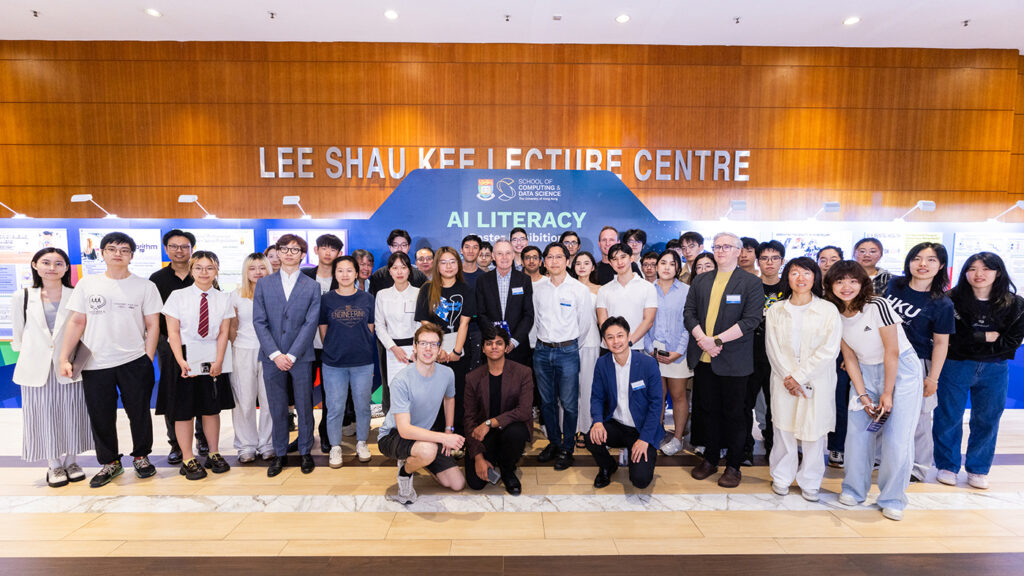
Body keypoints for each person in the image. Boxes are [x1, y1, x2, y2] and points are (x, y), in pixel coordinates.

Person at [60, 232, 162, 488]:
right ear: (102, 253)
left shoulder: (145, 286)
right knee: (101, 415)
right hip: (95, 362)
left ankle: (141, 456)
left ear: (131, 255)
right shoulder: (87, 284)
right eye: (112, 248)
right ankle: (110, 463)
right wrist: (64, 357)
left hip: (134, 360)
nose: (118, 253)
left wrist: (147, 359)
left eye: (124, 250)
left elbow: (153, 325)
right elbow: (77, 321)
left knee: (139, 413)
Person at [825, 260, 921, 521]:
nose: (847, 287)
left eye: (853, 281)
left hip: (901, 371)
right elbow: (850, 357)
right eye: (840, 281)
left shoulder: (878, 305)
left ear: (863, 283)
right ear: (830, 285)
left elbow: (892, 351)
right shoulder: (833, 312)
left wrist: (887, 392)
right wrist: (863, 395)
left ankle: (893, 498)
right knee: (857, 434)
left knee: (897, 439)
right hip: (865, 372)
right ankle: (854, 490)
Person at [933, 252, 1024, 490]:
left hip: (995, 367)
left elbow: (1012, 340)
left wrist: (975, 341)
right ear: (965, 273)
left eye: (986, 269)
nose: (979, 274)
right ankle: (947, 466)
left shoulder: (1015, 304)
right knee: (948, 416)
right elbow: (950, 338)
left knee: (987, 419)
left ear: (998, 272)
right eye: (972, 269)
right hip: (955, 364)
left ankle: (978, 469)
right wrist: (983, 336)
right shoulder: (950, 299)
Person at [683, 232, 764, 488]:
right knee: (708, 412)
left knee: (735, 415)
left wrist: (716, 341)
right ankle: (710, 459)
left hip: (734, 362)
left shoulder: (750, 282)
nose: (720, 250)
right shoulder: (702, 280)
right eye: (717, 246)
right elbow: (689, 313)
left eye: (727, 246)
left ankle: (733, 466)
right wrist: (703, 339)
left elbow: (751, 320)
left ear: (738, 251)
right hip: (704, 359)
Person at [13, 248, 92, 488]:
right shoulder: (23, 296)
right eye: (46, 263)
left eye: (59, 263)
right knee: (44, 416)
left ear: (67, 268)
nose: (52, 268)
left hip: (69, 364)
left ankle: (72, 461)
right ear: (35, 265)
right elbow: (19, 335)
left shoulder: (77, 295)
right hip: (36, 367)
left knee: (72, 413)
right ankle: (53, 464)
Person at [765, 257, 842, 501]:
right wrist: (789, 377)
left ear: (815, 277)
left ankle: (810, 481)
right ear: (786, 277)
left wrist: (799, 376)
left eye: (806, 273)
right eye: (794, 273)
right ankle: (781, 476)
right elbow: (772, 348)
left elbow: (830, 349)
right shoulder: (777, 309)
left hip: (816, 381)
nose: (800, 278)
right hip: (783, 380)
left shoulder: (828, 309)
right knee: (783, 430)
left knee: (813, 431)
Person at [253, 234, 322, 477]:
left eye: (295, 249)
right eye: (285, 249)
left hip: (300, 357)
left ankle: (305, 452)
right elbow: (259, 322)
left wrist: (291, 355)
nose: (290, 253)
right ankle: (279, 453)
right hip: (272, 357)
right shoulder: (264, 283)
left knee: (304, 406)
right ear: (278, 253)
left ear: (303, 255)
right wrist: (275, 354)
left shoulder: (312, 286)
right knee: (277, 407)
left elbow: (310, 323)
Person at [163, 251, 236, 480]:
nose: (204, 272)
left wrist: (219, 360)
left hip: (212, 355)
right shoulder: (178, 296)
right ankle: (188, 458)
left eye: (209, 268)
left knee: (211, 408)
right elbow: (172, 332)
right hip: (183, 356)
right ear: (191, 270)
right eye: (199, 268)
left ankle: (213, 453)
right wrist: (180, 360)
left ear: (216, 271)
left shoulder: (223, 299)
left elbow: (224, 332)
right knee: (184, 411)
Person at [884, 242, 953, 482]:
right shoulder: (895, 286)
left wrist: (932, 377)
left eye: (931, 259)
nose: (923, 264)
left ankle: (918, 468)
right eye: (917, 258)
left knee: (920, 419)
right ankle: (883, 460)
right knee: (883, 410)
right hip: (884, 357)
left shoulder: (942, 303)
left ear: (941, 265)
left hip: (918, 362)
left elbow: (942, 343)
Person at [377, 323, 466, 504]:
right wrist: (443, 438)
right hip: (393, 436)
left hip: (425, 435)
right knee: (428, 449)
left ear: (440, 348)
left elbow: (450, 398)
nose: (428, 348)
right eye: (423, 343)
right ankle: (405, 471)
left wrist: (448, 429)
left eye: (434, 344)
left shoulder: (447, 373)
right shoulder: (401, 381)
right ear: (415, 346)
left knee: (457, 483)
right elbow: (405, 430)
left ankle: (418, 459)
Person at [532, 242, 592, 470]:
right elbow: (537, 320)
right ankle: (554, 443)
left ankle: (568, 447)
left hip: (568, 351)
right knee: (546, 402)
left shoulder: (579, 290)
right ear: (544, 262)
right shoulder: (538, 288)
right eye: (550, 257)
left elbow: (585, 325)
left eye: (559, 257)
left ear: (568, 261)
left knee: (568, 403)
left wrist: (570, 347)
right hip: (542, 350)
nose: (554, 261)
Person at [586, 316, 664, 489]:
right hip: (617, 425)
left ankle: (644, 454)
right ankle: (608, 466)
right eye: (610, 337)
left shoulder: (648, 364)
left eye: (620, 335)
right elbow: (597, 397)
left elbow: (656, 404)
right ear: (605, 342)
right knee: (591, 437)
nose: (616, 341)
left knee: (640, 481)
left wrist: (644, 439)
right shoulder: (602, 364)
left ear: (629, 337)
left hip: (641, 429)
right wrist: (598, 421)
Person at [150, 229, 206, 466]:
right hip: (169, 344)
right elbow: (153, 316)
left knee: (203, 389)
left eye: (184, 246)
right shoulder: (157, 279)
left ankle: (202, 439)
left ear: (192, 248)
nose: (179, 250)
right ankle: (175, 444)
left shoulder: (202, 275)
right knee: (173, 393)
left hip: (202, 343)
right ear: (166, 249)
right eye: (174, 246)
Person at [319, 255, 376, 467]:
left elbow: (370, 329)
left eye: (349, 270)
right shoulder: (326, 300)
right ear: (335, 273)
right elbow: (323, 330)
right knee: (335, 407)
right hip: (333, 363)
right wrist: (336, 348)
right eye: (340, 270)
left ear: (356, 272)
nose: (345, 275)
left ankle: (362, 442)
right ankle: (335, 446)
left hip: (362, 361)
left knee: (362, 406)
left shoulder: (367, 299)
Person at [464, 324, 533, 495]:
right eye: (489, 343)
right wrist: (479, 458)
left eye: (499, 343)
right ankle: (491, 459)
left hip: (509, 430)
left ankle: (508, 469)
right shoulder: (473, 378)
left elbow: (524, 411)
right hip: (484, 435)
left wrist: (490, 423)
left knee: (516, 432)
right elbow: (469, 419)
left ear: (506, 346)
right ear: (483, 348)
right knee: (475, 483)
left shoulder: (523, 373)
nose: (494, 347)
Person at [415, 246, 476, 440]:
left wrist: (456, 352)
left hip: (458, 350)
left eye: (452, 262)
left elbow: (464, 323)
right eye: (443, 262)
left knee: (455, 394)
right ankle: (434, 436)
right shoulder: (427, 289)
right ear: (436, 265)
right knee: (433, 395)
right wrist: (437, 350)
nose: (448, 266)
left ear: (458, 264)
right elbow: (425, 323)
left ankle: (455, 435)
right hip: (432, 351)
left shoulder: (465, 289)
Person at [228, 252, 275, 463]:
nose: (258, 272)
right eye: (252, 268)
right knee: (244, 401)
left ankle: (268, 443)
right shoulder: (236, 295)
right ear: (246, 272)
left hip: (270, 352)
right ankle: (246, 445)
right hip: (243, 350)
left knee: (269, 400)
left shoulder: (277, 294)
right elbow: (232, 327)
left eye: (262, 267)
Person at [644, 250, 691, 456]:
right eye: (662, 263)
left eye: (672, 264)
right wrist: (649, 350)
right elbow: (643, 322)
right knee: (656, 396)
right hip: (653, 352)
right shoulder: (647, 290)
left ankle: (678, 438)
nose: (666, 267)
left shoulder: (687, 291)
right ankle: (657, 432)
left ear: (678, 268)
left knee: (678, 395)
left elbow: (690, 323)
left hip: (677, 352)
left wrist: (678, 351)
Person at [745, 240, 786, 465]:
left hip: (778, 357)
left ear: (782, 261)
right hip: (750, 354)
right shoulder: (749, 285)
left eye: (774, 258)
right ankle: (744, 450)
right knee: (745, 404)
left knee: (775, 406)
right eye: (764, 258)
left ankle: (774, 447)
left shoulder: (789, 288)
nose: (769, 262)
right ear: (757, 261)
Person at [302, 233, 343, 454]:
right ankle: (305, 436)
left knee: (331, 395)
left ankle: (326, 433)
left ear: (339, 253)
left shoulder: (343, 277)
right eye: (324, 248)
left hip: (332, 347)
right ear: (316, 250)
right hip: (306, 347)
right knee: (304, 394)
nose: (328, 253)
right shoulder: (304, 276)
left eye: (333, 249)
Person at [475, 239, 535, 367]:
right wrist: (495, 340)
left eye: (508, 253)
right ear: (493, 256)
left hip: (518, 347)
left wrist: (513, 341)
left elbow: (528, 315)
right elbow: (481, 314)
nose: (504, 257)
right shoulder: (482, 280)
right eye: (500, 253)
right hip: (492, 346)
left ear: (513, 255)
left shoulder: (524, 280)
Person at [375, 252, 420, 414]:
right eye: (395, 268)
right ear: (389, 271)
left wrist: (417, 348)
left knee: (415, 391)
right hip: (391, 351)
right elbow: (379, 325)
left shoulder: (419, 293)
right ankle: (395, 433)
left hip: (416, 350)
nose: (399, 272)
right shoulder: (382, 295)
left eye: (403, 267)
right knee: (395, 391)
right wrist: (394, 348)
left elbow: (421, 323)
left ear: (409, 270)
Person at [596, 243, 657, 355]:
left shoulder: (648, 287)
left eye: (623, 257)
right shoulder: (603, 290)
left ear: (631, 258)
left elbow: (648, 321)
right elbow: (602, 321)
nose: (619, 262)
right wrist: (613, 342)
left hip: (635, 347)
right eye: (614, 259)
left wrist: (628, 342)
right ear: (610, 263)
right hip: (609, 348)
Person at [818, 245, 849, 468]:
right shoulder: (810, 286)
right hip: (813, 354)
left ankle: (837, 448)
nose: (827, 263)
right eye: (823, 259)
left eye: (833, 259)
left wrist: (849, 355)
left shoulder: (846, 289)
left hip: (841, 355)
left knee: (839, 402)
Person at [571, 251, 602, 448]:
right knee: (570, 389)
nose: (582, 266)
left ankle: (586, 428)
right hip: (568, 343)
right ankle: (570, 427)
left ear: (593, 267)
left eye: (586, 263)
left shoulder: (601, 290)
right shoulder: (567, 287)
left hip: (591, 342)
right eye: (578, 263)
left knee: (588, 387)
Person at [369, 229, 428, 295]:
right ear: (390, 247)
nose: (399, 249)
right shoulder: (378, 276)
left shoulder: (419, 276)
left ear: (409, 247)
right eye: (395, 245)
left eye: (403, 245)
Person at [460, 235, 485, 369]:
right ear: (461, 250)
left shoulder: (484, 277)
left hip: (477, 330)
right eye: (467, 247)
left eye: (475, 247)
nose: (471, 251)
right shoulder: (453, 275)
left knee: (476, 369)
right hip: (455, 329)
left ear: (479, 251)